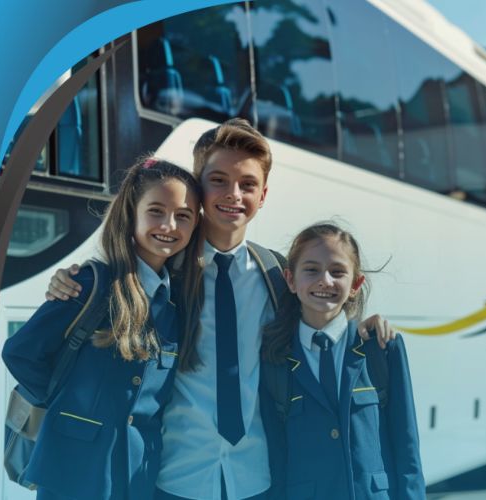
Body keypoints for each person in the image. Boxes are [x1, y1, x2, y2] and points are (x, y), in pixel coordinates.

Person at [45, 119, 395, 499]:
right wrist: (69, 279)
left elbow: (322, 312)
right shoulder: (163, 275)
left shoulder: (277, 276)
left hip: (258, 479)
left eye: (247, 184)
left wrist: (360, 322)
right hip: (173, 478)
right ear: (198, 185)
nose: (233, 194)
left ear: (262, 196)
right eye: (218, 180)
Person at [2, 158, 203, 500]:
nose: (169, 225)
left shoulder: (176, 304)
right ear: (131, 214)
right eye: (156, 210)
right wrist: (70, 401)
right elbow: (20, 352)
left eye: (183, 215)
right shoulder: (90, 282)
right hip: (72, 472)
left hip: (138, 475)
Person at [262, 222, 425, 500]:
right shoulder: (276, 359)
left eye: (338, 272)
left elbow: (407, 448)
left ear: (355, 284)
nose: (325, 280)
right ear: (290, 279)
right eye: (311, 270)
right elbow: (275, 458)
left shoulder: (382, 349)